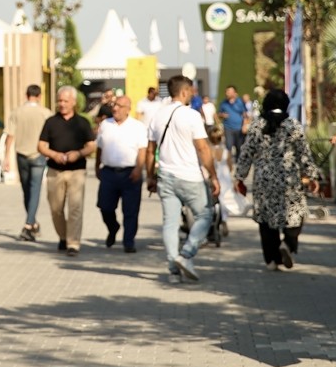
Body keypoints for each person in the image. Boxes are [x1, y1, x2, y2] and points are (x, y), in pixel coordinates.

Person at [234, 88, 320, 271]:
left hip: (264, 181)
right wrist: (312, 176)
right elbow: (304, 154)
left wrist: (239, 177)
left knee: (266, 221)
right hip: (289, 179)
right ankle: (288, 244)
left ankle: (272, 260)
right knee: (295, 215)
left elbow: (246, 153)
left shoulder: (257, 126)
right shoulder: (293, 126)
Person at [146, 75, 218, 283]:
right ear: (184, 92)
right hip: (190, 176)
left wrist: (149, 176)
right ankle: (186, 254)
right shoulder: (192, 115)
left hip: (166, 175)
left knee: (170, 223)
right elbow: (203, 148)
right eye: (191, 91)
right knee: (205, 215)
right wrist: (213, 176)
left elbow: (151, 151)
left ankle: (173, 271)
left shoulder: (158, 115)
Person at [37, 85, 96, 256]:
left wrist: (78, 153)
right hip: (55, 171)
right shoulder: (51, 122)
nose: (61, 104)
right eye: (59, 101)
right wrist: (53, 154)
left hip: (77, 171)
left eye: (65, 101)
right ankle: (63, 236)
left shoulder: (82, 123)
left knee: (75, 207)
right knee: (56, 208)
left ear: (73, 102)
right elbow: (40, 145)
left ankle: (73, 243)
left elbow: (91, 145)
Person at [94, 95, 147, 253]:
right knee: (105, 207)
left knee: (130, 210)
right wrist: (97, 166)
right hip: (109, 173)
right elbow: (99, 147)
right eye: (114, 105)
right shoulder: (105, 124)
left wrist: (139, 168)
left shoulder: (137, 126)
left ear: (128, 109)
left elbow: (142, 150)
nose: (115, 109)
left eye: (119, 106)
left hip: (130, 173)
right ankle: (113, 227)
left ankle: (128, 241)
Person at [5, 85, 52, 242]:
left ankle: (29, 223)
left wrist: (6, 157)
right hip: (39, 155)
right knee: (35, 191)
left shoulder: (17, 112)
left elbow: (10, 135)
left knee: (26, 191)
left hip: (21, 155)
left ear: (27, 95)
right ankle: (30, 223)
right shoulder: (46, 113)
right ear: (39, 96)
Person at [218, 85, 248, 159]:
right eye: (226, 91)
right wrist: (222, 115)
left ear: (234, 93)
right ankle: (229, 163)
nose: (227, 93)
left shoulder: (240, 102)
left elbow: (245, 114)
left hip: (239, 128)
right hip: (228, 128)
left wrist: (244, 125)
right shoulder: (223, 103)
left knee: (239, 146)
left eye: (229, 91)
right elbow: (219, 114)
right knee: (228, 145)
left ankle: (238, 163)